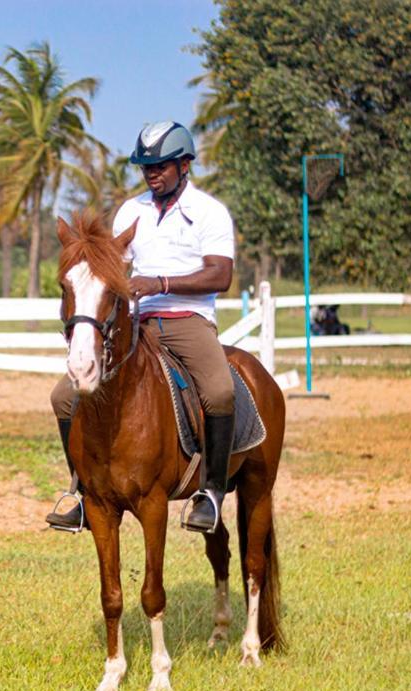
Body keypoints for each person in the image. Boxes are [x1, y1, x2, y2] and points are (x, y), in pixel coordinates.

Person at [46, 120, 236, 534]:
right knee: (64, 396)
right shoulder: (131, 211)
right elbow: (108, 264)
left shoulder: (208, 212)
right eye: (147, 166)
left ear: (184, 165)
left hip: (189, 320)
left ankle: (212, 493)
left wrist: (161, 283)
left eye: (162, 165)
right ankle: (81, 492)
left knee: (220, 390)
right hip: (138, 323)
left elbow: (221, 275)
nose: (153, 173)